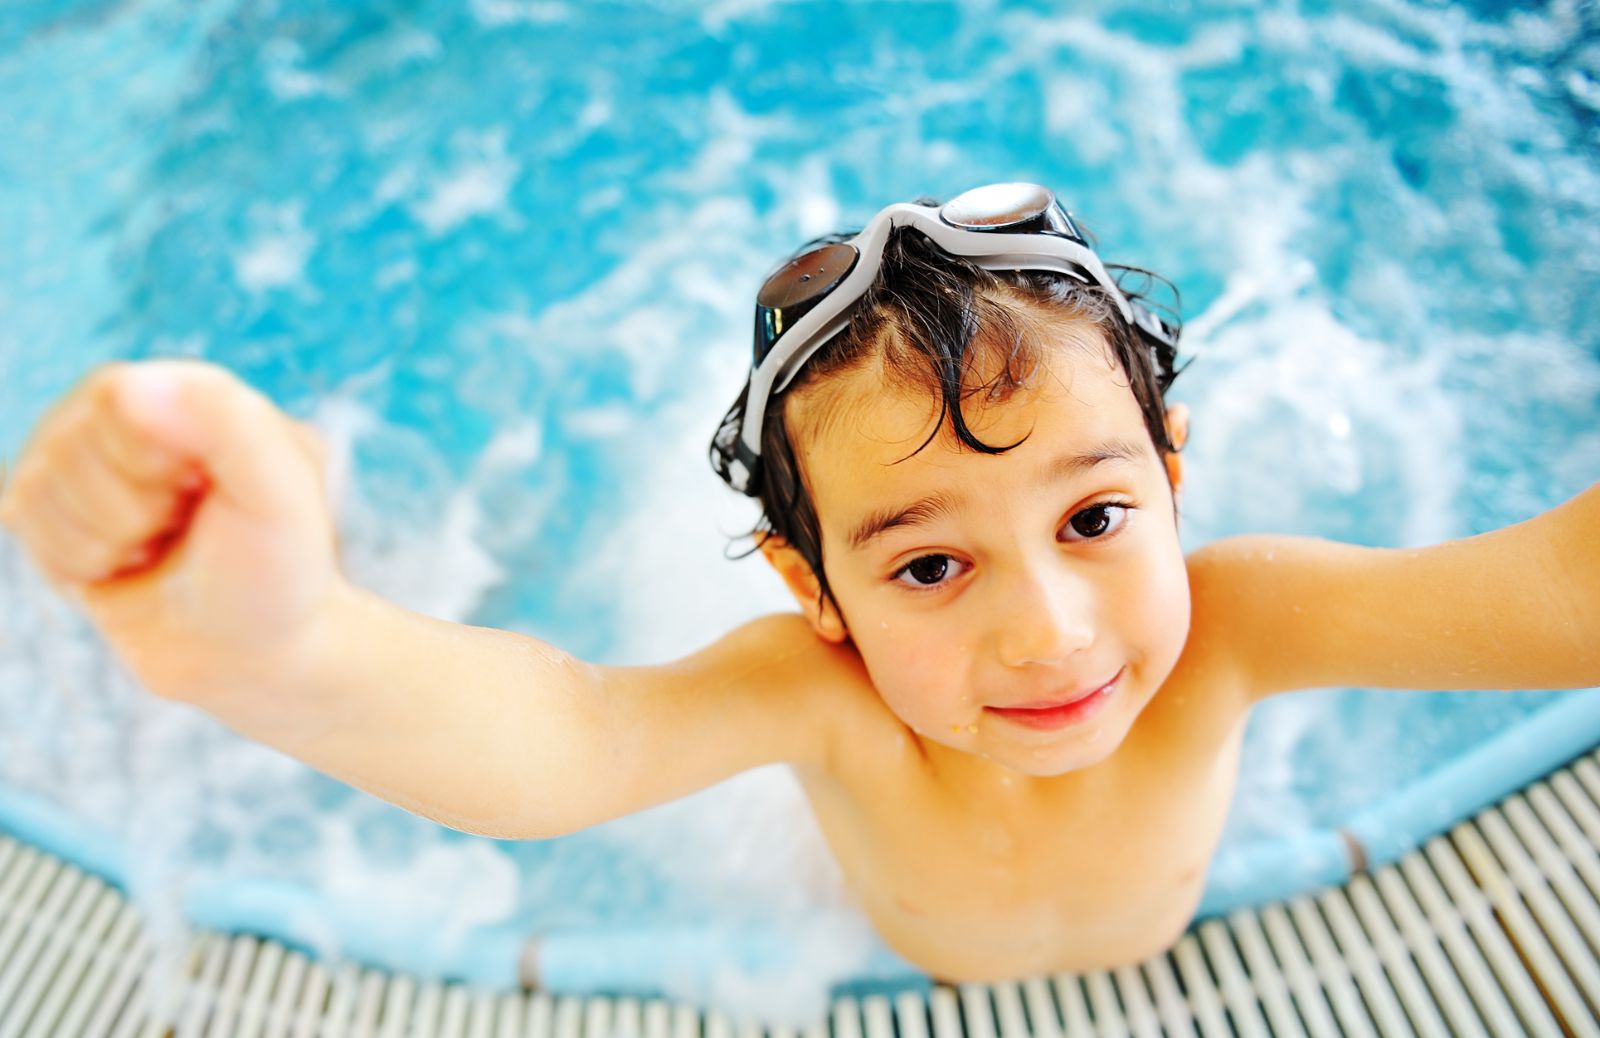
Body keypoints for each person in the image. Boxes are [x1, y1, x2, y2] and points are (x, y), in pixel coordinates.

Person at [1, 183, 1596, 982]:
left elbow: (1546, 587)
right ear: (815, 586)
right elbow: (569, 741)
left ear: (1170, 477)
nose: (1044, 625)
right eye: (927, 560)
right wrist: (284, 649)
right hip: (848, 925)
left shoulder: (1246, 620)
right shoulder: (823, 696)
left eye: (1097, 518)